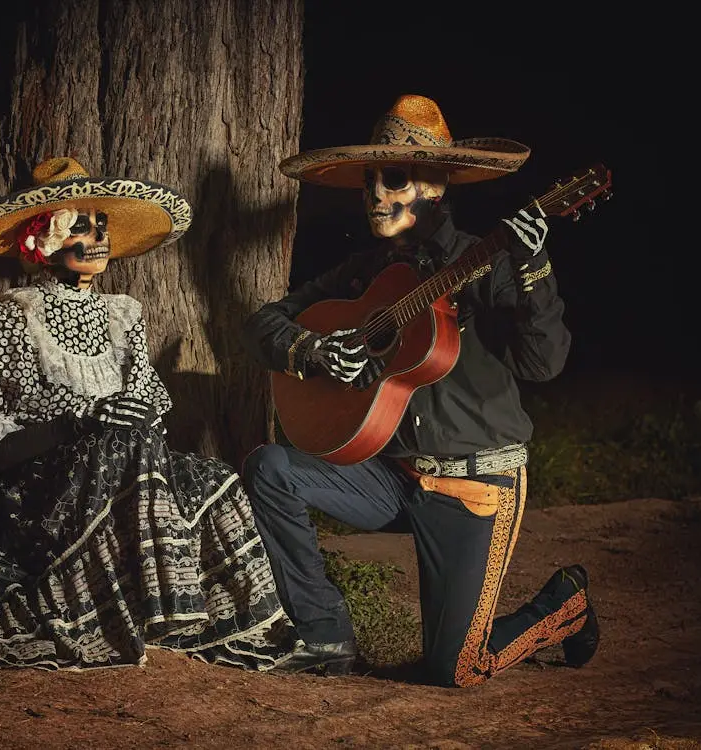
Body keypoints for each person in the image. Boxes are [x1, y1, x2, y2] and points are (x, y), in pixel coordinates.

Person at [240, 94, 600, 687]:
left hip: (473, 484)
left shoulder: (487, 263)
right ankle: (324, 632)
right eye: (370, 181)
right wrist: (314, 351)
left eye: (395, 178)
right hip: (391, 477)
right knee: (271, 467)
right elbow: (263, 323)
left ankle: (562, 605)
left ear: (433, 185)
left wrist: (535, 267)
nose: (376, 194)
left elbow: (544, 363)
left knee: (456, 668)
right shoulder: (363, 273)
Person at [0, 156, 302, 671]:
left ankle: (182, 616)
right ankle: (112, 614)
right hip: (43, 479)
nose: (98, 237)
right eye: (81, 226)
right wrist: (82, 421)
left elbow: (144, 399)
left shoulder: (123, 314)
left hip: (124, 463)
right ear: (45, 240)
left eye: (102, 224)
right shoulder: (13, 313)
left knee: (213, 477)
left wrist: (134, 416)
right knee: (120, 445)